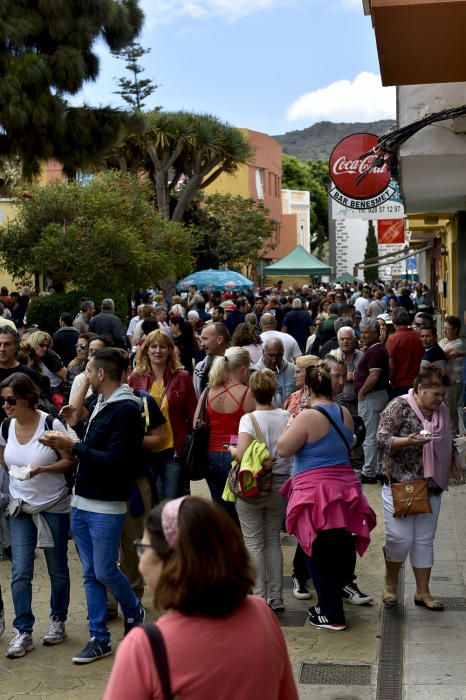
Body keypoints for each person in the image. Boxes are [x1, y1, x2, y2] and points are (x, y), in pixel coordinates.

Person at [103, 497, 298, 700]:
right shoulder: (262, 614)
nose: (141, 564)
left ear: (172, 562)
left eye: (144, 550)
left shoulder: (144, 646)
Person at [41, 348, 146, 663]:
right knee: (90, 572)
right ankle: (99, 637)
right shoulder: (101, 402)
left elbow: (115, 460)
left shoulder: (127, 407)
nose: (84, 375)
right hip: (82, 500)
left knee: (103, 569)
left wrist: (73, 445)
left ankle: (133, 609)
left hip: (106, 503)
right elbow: (94, 446)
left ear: (101, 374)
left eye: (88, 370)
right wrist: (75, 430)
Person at [277, 362, 376, 631]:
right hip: (343, 490)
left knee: (317, 552)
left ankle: (331, 613)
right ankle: (330, 606)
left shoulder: (307, 416)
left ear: (307, 388)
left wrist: (290, 423)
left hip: (315, 493)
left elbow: (283, 449)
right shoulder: (342, 412)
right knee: (337, 548)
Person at [0, 373, 74, 658]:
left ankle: (58, 620)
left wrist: (41, 470)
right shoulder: (6, 426)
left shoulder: (49, 423)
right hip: (20, 506)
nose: (6, 406)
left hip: (52, 505)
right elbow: (4, 457)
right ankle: (23, 630)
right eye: (2, 400)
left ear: (27, 398)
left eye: (11, 400)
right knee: (20, 571)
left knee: (57, 568)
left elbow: (70, 459)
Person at [376, 366, 463, 609]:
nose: (440, 399)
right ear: (420, 389)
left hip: (431, 483)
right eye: (436, 394)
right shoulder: (399, 406)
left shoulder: (442, 411)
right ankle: (390, 583)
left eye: (443, 394)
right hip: (401, 482)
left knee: (424, 539)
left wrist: (453, 463)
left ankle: (423, 592)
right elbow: (381, 439)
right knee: (401, 538)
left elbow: (449, 436)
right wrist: (408, 441)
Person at [228, 370, 292, 612]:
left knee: (253, 542)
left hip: (253, 486)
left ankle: (259, 595)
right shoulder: (287, 416)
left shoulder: (248, 419)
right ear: (274, 391)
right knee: (273, 540)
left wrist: (231, 449)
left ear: (252, 392)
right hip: (280, 484)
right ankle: (276, 597)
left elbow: (242, 453)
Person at [129, 330, 197, 500]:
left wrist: (192, 444)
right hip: (145, 449)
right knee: (151, 499)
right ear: (146, 350)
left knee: (170, 500)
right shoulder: (136, 377)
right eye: (153, 346)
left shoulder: (183, 377)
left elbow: (193, 413)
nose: (158, 351)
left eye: (163, 347)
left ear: (170, 350)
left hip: (173, 449)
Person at [195, 347, 255, 522]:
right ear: (243, 369)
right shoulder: (247, 393)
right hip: (237, 455)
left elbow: (195, 423)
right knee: (240, 509)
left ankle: (223, 541)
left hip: (210, 455)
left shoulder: (208, 391)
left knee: (219, 505)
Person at [355, 318, 390, 484]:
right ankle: (375, 468)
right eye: (361, 332)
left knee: (370, 436)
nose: (363, 336)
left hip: (371, 397)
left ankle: (369, 471)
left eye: (366, 333)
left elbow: (374, 375)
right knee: (374, 434)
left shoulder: (376, 351)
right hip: (375, 396)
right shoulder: (375, 349)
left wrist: (362, 392)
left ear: (376, 333)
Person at [386, 308, 425, 398]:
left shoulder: (393, 339)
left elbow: (390, 365)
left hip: (399, 384)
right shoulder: (419, 336)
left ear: (393, 321)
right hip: (418, 382)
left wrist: (389, 380)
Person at [439, 315, 465, 435]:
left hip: (453, 380)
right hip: (442, 379)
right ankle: (444, 432)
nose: (444, 330)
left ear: (455, 329)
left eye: (447, 328)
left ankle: (453, 434)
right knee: (442, 407)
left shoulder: (459, 343)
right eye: (444, 328)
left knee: (451, 408)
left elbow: (441, 355)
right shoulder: (444, 341)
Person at [254, 338, 296, 408]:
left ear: (283, 353)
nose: (274, 360)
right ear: (263, 352)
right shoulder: (255, 373)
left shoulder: (292, 370)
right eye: (271, 355)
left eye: (278, 355)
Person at [27, 331, 67, 402]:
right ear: (33, 344)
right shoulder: (26, 356)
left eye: (47, 346)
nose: (45, 348)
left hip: (54, 393)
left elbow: (66, 376)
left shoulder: (50, 356)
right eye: (42, 345)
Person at [193, 322, 229, 398]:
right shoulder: (199, 368)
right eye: (201, 339)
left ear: (219, 339)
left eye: (205, 339)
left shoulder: (238, 365)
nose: (202, 344)